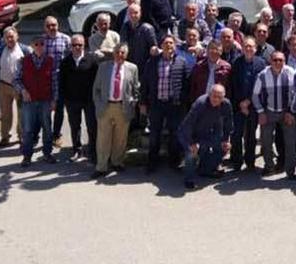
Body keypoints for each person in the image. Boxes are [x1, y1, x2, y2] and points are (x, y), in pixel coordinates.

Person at [140, 35, 190, 173]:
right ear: (161, 46)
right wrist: (143, 102)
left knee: (175, 134)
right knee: (154, 134)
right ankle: (152, 162)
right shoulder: (152, 62)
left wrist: (183, 102)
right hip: (156, 104)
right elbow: (145, 84)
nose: (168, 45)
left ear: (175, 46)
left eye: (171, 43)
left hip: (174, 105)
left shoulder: (182, 62)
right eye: (166, 43)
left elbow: (186, 84)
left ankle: (174, 161)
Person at [91, 43, 140, 178]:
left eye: (123, 52)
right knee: (103, 138)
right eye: (117, 52)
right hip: (106, 106)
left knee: (120, 138)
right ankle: (101, 167)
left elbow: (136, 88)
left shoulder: (132, 68)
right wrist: (99, 104)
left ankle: (117, 162)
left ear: (126, 54)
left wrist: (133, 102)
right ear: (113, 53)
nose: (120, 55)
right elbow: (96, 89)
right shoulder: (103, 67)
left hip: (123, 107)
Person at [253, 51, 296, 178]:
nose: (278, 62)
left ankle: (290, 171)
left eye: (281, 60)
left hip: (287, 111)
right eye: (275, 60)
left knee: (290, 142)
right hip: (268, 112)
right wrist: (261, 112)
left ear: (284, 61)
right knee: (266, 141)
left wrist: (291, 112)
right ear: (270, 61)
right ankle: (269, 167)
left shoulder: (291, 72)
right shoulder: (262, 75)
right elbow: (255, 95)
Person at [179, 84, 234, 190]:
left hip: (206, 131)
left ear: (223, 97)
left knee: (224, 147)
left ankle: (205, 170)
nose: (216, 99)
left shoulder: (226, 104)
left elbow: (228, 123)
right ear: (209, 94)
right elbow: (188, 125)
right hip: (188, 134)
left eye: (219, 97)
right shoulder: (200, 104)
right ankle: (189, 179)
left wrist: (226, 140)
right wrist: (192, 143)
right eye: (214, 96)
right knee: (191, 153)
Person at [15, 37, 57, 167]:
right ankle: (27, 156)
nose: (39, 46)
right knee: (27, 130)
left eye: (42, 44)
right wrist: (23, 91)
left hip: (45, 100)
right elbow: (16, 80)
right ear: (32, 46)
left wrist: (54, 100)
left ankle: (47, 153)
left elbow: (55, 82)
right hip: (29, 101)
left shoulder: (50, 61)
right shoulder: (23, 61)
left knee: (47, 128)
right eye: (36, 44)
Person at [229, 37, 267, 171]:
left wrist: (249, 102)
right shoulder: (236, 63)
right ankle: (236, 161)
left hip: (254, 105)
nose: (248, 49)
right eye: (246, 46)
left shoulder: (261, 64)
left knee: (251, 135)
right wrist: (241, 103)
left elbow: (261, 85)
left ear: (255, 49)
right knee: (236, 134)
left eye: (251, 46)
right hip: (238, 106)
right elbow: (233, 85)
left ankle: (250, 162)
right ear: (242, 48)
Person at [59, 34, 98, 163]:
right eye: (74, 45)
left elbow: (97, 81)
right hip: (72, 100)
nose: (77, 47)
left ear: (84, 45)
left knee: (91, 126)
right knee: (75, 126)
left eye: (79, 45)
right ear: (70, 46)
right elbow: (61, 82)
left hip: (89, 100)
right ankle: (77, 150)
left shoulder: (91, 60)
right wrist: (64, 99)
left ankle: (93, 151)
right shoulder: (65, 61)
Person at [0, 27, 29, 148]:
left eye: (12, 36)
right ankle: (5, 137)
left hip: (19, 87)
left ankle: (22, 136)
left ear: (17, 36)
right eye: (7, 37)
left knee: (22, 114)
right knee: (5, 114)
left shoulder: (25, 50)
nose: (10, 39)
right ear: (4, 39)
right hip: (3, 85)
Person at [43, 16, 73, 149]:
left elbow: (70, 60)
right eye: (49, 25)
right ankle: (46, 135)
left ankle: (56, 135)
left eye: (54, 25)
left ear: (58, 25)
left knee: (59, 110)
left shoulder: (66, 39)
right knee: (45, 110)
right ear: (45, 27)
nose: (51, 28)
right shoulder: (42, 41)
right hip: (47, 80)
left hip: (61, 80)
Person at [120, 3, 158, 77]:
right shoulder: (125, 27)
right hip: (129, 66)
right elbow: (122, 45)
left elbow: (153, 48)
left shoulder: (147, 29)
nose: (133, 15)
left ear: (140, 13)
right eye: (130, 13)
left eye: (136, 13)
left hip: (144, 68)